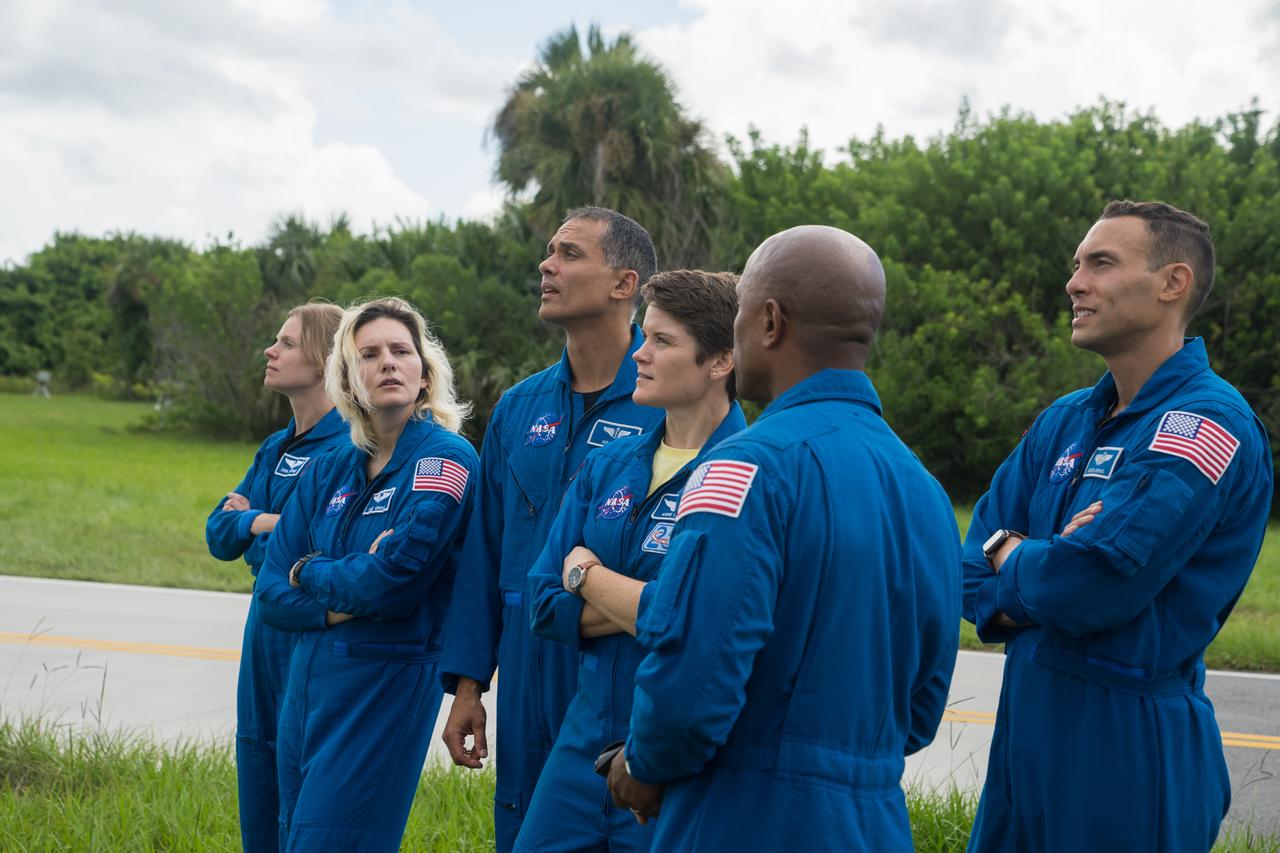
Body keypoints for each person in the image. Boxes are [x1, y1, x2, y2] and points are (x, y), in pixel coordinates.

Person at [607, 225, 962, 851]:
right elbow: (924, 704)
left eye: (741, 314)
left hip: (746, 815)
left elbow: (694, 681)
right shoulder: (926, 492)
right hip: (875, 820)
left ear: (769, 322)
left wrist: (643, 763)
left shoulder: (743, 467)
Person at [962, 201, 1272, 852]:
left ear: (1172, 283)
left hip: (1126, 748)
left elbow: (1096, 582)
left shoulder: (1206, 424)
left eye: (1100, 263)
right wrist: (1041, 556)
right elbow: (968, 564)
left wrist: (1016, 560)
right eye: (1077, 264)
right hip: (1023, 742)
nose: (1075, 282)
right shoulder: (1064, 420)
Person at [439, 206, 666, 852]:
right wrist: (467, 685)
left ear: (624, 284)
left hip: (617, 659)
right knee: (524, 822)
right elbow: (482, 553)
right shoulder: (519, 406)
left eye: (569, 254)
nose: (547, 264)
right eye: (549, 251)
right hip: (525, 656)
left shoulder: (665, 402)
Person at [517, 270, 746, 852]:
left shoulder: (748, 472)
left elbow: (688, 617)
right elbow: (543, 598)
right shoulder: (609, 464)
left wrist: (586, 575)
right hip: (581, 741)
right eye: (646, 336)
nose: (640, 354)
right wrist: (642, 602)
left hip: (673, 754)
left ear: (720, 361)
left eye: (663, 342)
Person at [254, 297, 478, 851]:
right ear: (348, 381)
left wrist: (309, 570)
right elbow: (271, 594)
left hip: (384, 684)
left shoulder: (445, 460)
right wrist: (333, 588)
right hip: (306, 689)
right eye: (369, 354)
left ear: (425, 374)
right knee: (289, 837)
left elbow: (394, 581)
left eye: (402, 351)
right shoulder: (331, 466)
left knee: (331, 841)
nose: (388, 363)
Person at [204, 302, 347, 853]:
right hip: (261, 629)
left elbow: (315, 548)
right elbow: (219, 534)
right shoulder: (276, 446)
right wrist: (262, 521)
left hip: (309, 632)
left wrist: (252, 520)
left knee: (299, 769)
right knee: (257, 758)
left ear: (323, 359)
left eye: (286, 343)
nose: (271, 350)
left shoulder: (348, 448)